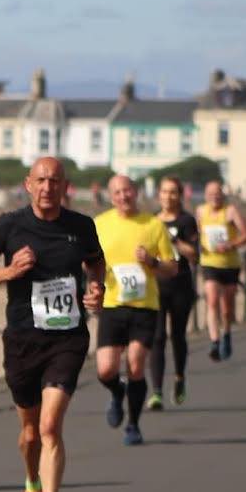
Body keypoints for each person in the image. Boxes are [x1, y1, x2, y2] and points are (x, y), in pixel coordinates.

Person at [0, 157, 104, 492]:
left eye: (55, 181)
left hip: (67, 338)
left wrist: (96, 289)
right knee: (29, 435)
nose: (48, 187)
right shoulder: (9, 226)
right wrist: (8, 273)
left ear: (66, 187)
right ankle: (32, 486)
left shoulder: (81, 227)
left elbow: (96, 265)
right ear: (29, 185)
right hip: (23, 340)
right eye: (41, 180)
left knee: (49, 427)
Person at [93, 175, 177, 447]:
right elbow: (88, 262)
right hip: (111, 304)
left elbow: (172, 268)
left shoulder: (154, 225)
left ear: (136, 192)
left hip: (144, 306)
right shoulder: (100, 223)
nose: (123, 196)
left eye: (127, 190)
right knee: (106, 369)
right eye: (117, 192)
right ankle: (117, 393)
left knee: (136, 365)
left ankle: (133, 425)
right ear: (110, 195)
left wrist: (151, 261)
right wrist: (93, 276)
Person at [150, 176, 200, 407]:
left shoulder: (187, 221)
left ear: (180, 195)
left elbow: (194, 253)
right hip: (157, 286)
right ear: (158, 194)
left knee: (177, 336)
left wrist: (174, 240)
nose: (168, 196)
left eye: (173, 192)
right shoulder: (151, 220)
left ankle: (179, 376)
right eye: (164, 192)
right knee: (157, 337)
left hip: (180, 284)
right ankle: (157, 391)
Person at [197, 180, 246, 361]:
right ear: (206, 196)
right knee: (212, 300)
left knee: (227, 308)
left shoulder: (230, 211)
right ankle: (214, 341)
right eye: (211, 193)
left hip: (230, 264)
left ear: (223, 194)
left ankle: (227, 333)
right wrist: (198, 246)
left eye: (218, 193)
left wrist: (230, 244)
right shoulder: (200, 211)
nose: (215, 197)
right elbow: (196, 234)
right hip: (209, 263)